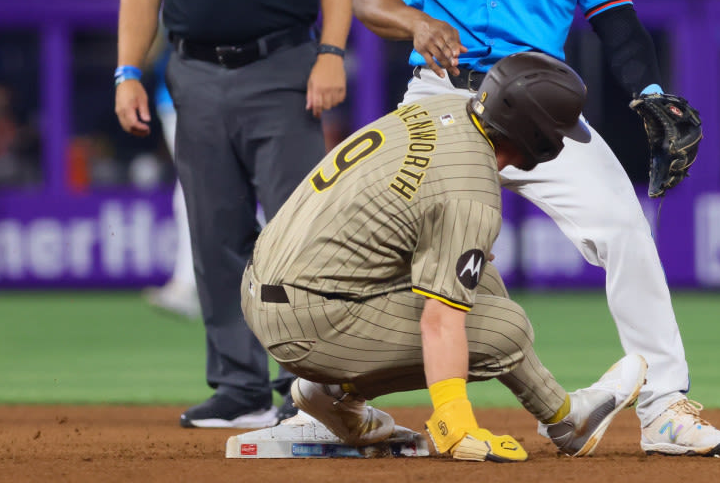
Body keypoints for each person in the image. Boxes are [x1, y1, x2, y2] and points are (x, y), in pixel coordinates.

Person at [351, 0, 720, 456]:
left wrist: (648, 91)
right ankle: (318, 397)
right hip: (440, 101)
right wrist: (414, 21)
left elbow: (617, 23)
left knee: (625, 225)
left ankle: (662, 407)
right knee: (373, 237)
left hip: (535, 114)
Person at [114, 0, 355, 430]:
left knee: (297, 235)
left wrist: (332, 51)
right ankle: (239, 387)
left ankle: (308, 388)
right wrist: (129, 70)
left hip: (283, 69)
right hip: (193, 73)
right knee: (215, 234)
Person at [242, 51, 648, 462]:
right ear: (538, 137)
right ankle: (334, 391)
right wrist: (456, 426)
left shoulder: (443, 108)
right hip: (309, 320)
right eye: (559, 130)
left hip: (274, 279)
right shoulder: (471, 191)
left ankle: (565, 417)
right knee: (506, 330)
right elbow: (440, 323)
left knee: (478, 278)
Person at [140, 42, 200, 320]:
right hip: (176, 95)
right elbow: (148, 52)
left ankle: (188, 285)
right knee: (193, 190)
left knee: (198, 190)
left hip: (200, 93)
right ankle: (187, 284)